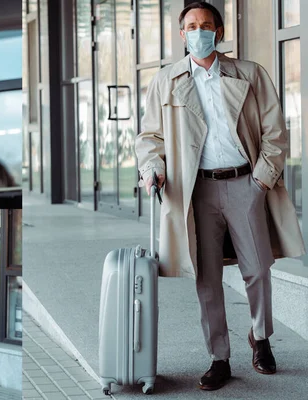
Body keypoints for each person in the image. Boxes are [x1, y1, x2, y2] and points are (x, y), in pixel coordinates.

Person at [135, 1, 305, 392]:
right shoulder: (166, 80)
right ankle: (219, 357)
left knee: (259, 268)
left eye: (206, 25)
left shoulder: (250, 74)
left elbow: (276, 133)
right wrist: (153, 169)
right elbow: (150, 138)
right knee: (207, 279)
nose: (198, 32)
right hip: (196, 191)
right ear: (182, 35)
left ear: (219, 31)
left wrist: (261, 181)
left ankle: (260, 338)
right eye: (191, 26)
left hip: (246, 184)